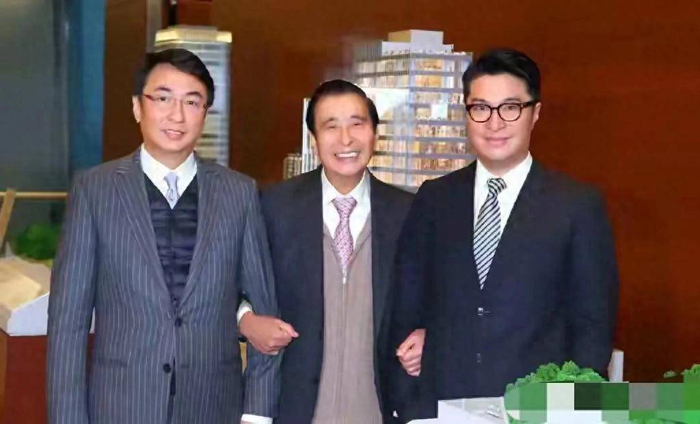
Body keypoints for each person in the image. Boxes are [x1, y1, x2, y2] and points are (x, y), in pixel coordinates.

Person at [46, 48, 283, 424]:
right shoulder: (95, 191)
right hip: (121, 407)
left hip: (213, 407)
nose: (177, 115)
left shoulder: (239, 193)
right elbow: (68, 324)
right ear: (138, 107)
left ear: (205, 113)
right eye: (163, 98)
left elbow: (263, 308)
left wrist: (257, 414)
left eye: (192, 102)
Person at [390, 48, 619, 421]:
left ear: (535, 113)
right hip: (443, 406)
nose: (494, 123)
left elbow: (592, 326)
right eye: (480, 108)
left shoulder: (576, 206)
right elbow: (406, 303)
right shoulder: (434, 198)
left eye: (510, 108)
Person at [253, 79, 413, 423]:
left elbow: (433, 299)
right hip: (294, 411)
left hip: (380, 412)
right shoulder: (274, 208)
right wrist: (247, 321)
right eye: (331, 126)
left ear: (375, 134)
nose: (346, 139)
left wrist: (426, 334)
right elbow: (237, 287)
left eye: (357, 124)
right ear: (314, 140)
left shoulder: (408, 213)